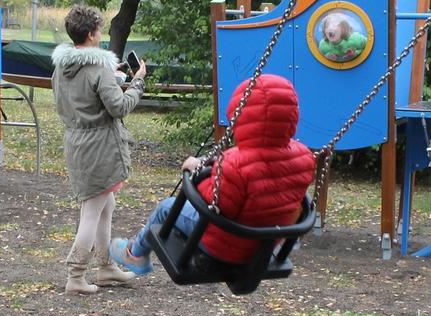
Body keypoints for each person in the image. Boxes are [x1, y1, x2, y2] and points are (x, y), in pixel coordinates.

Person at [110, 74, 316, 275]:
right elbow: (262, 175)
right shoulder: (304, 157)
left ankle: (135, 254)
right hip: (265, 246)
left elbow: (217, 203)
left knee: (166, 208)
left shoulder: (234, 163)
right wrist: (216, 168)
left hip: (226, 247)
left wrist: (196, 170)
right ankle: (135, 253)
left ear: (241, 114)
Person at [52, 5, 148, 295]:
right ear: (93, 34)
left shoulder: (61, 66)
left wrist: (113, 78)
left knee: (106, 205)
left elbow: (79, 94)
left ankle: (105, 267)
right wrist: (138, 82)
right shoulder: (99, 68)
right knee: (92, 211)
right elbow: (118, 107)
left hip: (77, 142)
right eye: (100, 30)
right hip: (100, 147)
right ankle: (76, 274)